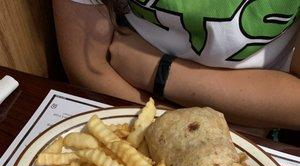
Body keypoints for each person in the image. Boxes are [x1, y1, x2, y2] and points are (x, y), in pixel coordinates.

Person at [53, 0, 300, 134]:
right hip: (130, 105)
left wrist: (161, 71)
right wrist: (171, 128)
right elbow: (86, 66)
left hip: (253, 123)